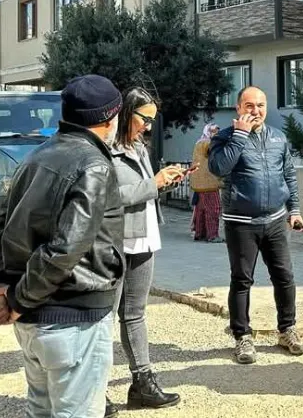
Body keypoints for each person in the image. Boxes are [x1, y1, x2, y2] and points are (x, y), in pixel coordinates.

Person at [0, 74, 125, 418]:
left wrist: (3, 279)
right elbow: (65, 248)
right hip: (72, 318)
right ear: (111, 118)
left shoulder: (36, 155)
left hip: (34, 319)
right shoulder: (93, 165)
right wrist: (17, 298)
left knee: (41, 409)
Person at [208, 86, 303, 364]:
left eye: (260, 105)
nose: (255, 111)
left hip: (275, 220)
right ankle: (242, 336)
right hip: (241, 222)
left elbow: (288, 174)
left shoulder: (278, 137)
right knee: (242, 280)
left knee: (284, 276)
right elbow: (218, 168)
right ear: (238, 108)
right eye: (249, 106)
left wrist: (294, 211)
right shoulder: (224, 137)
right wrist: (240, 135)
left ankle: (287, 330)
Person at [110, 88, 185, 410]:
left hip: (144, 237)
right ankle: (93, 389)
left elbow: (143, 190)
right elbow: (110, 196)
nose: (149, 126)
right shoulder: (105, 149)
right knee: (103, 318)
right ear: (128, 112)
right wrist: (153, 183)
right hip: (117, 241)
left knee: (135, 313)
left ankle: (142, 383)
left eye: (153, 120)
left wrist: (165, 182)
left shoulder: (139, 146)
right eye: (145, 118)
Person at [191, 123, 224, 243]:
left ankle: (200, 233)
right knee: (214, 208)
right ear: (208, 131)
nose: (217, 133)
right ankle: (212, 235)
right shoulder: (208, 143)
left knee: (201, 210)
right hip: (209, 183)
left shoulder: (199, 142)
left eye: (218, 131)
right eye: (214, 131)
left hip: (199, 183)